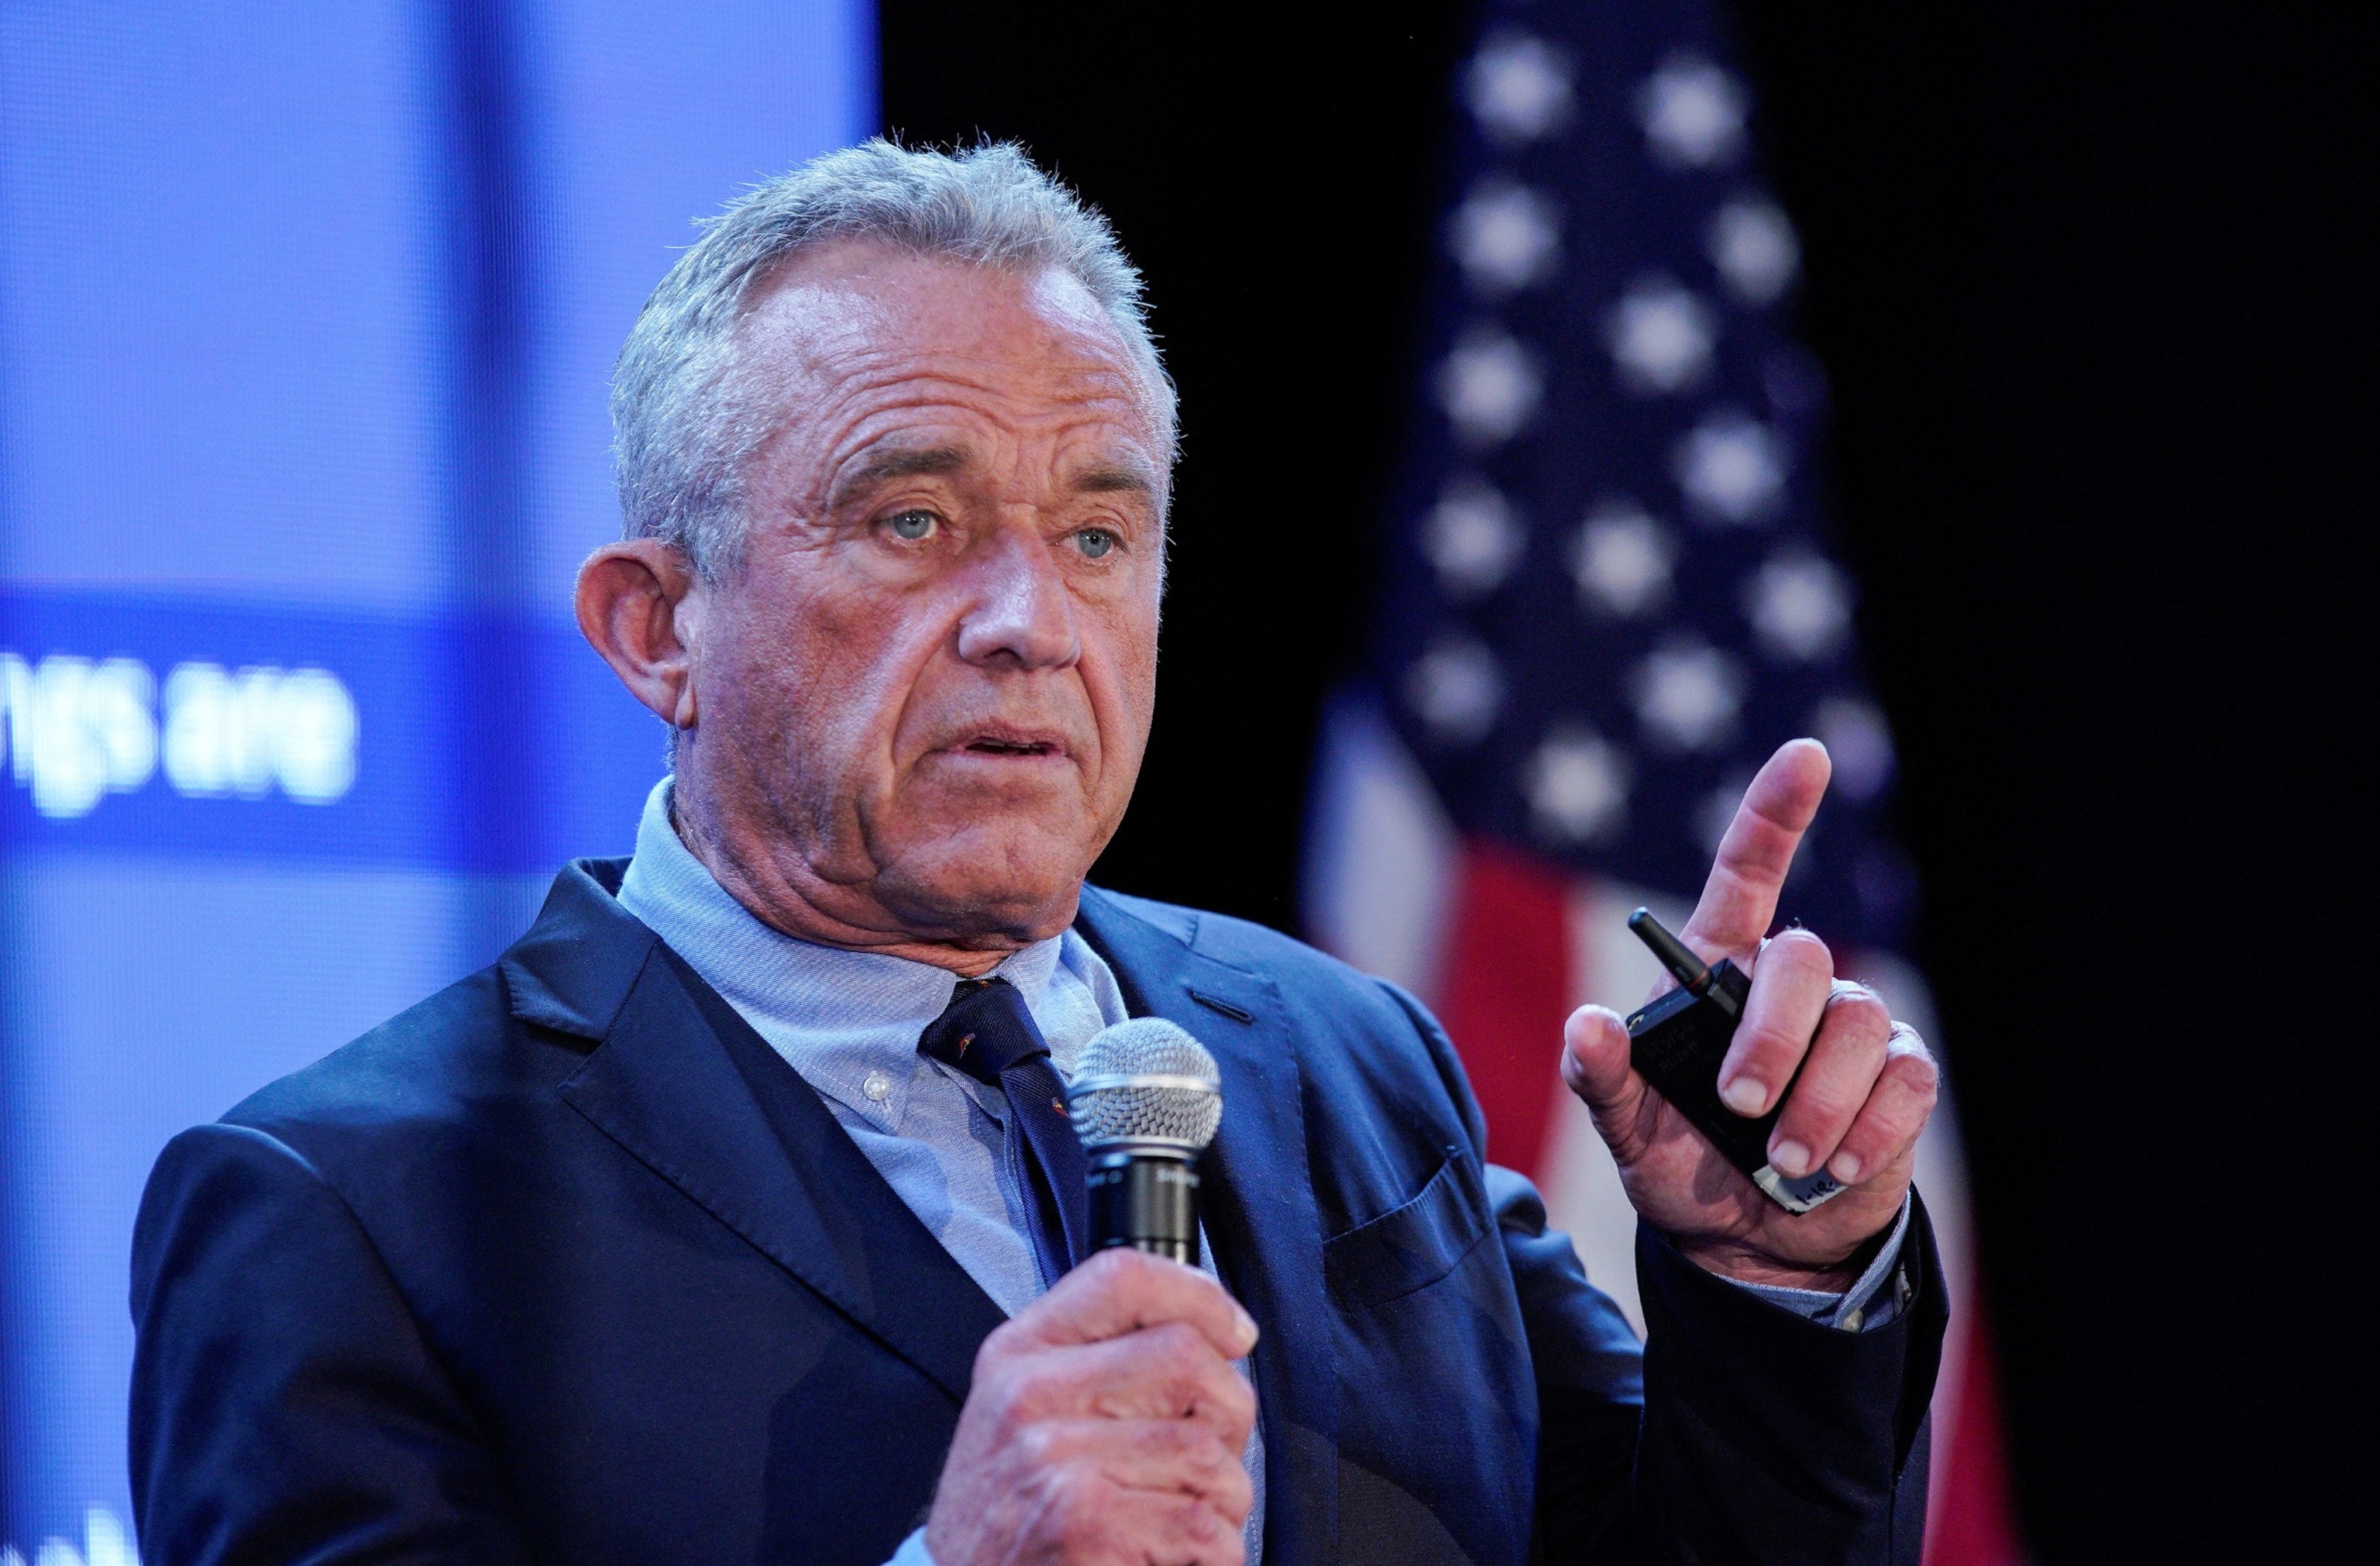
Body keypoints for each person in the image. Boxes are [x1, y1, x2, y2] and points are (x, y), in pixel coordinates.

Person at [129, 142, 1945, 1566]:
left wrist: (1777, 1278)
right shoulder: (342, 1214)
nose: (1027, 621)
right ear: (656, 630)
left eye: (1097, 533)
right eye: (913, 518)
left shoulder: (1341, 1056)